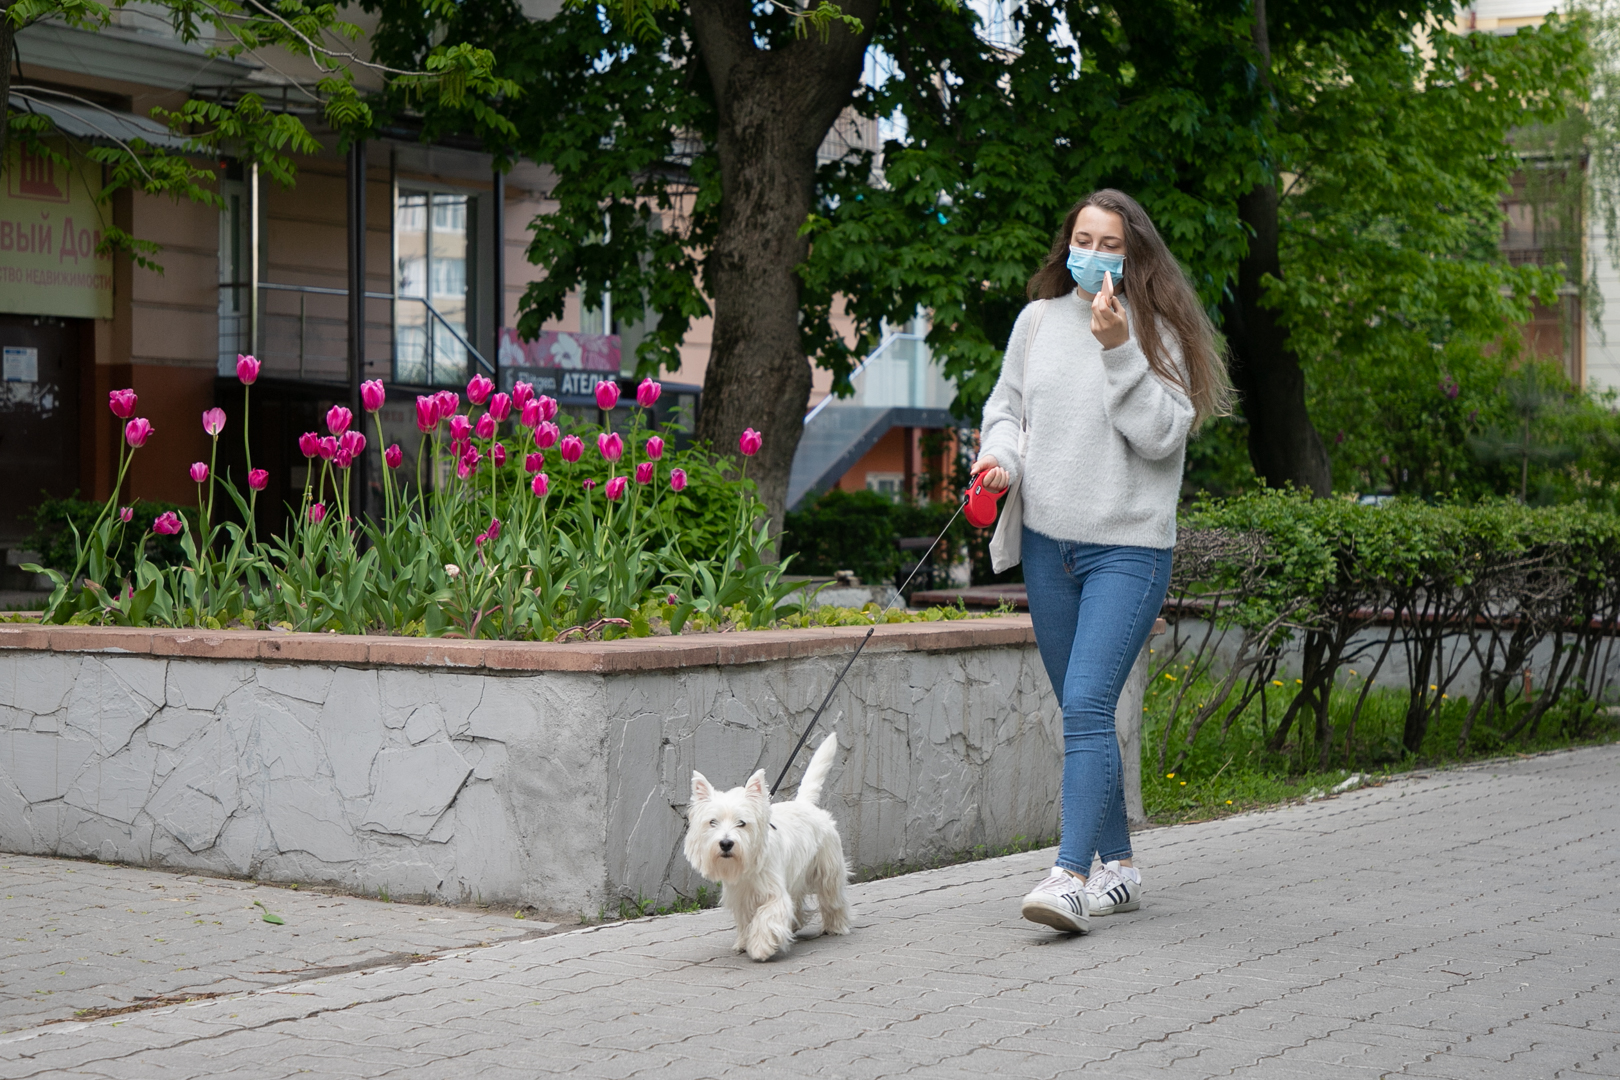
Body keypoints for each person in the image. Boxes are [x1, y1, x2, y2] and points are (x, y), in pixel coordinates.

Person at [972, 189, 1230, 934]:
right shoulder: (1036, 322)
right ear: (1067, 247)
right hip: (1050, 549)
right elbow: (1007, 412)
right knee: (1082, 711)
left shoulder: (1161, 333)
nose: (1094, 254)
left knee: (1086, 704)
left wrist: (1119, 346)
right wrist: (1000, 461)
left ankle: (1070, 876)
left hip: (1129, 548)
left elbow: (1159, 436)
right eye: (1082, 239)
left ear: (1134, 254)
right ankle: (1120, 868)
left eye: (1110, 243)